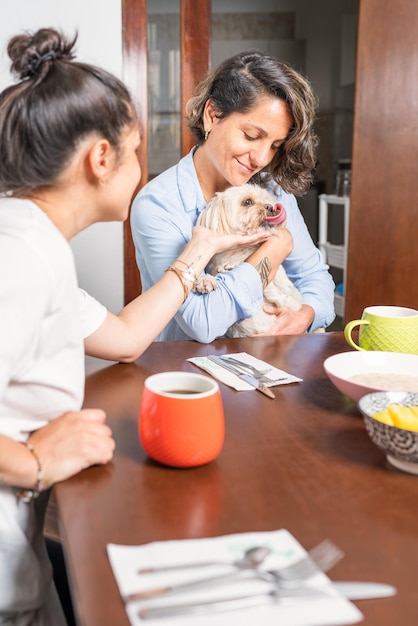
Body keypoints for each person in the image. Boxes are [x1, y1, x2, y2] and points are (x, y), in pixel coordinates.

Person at [0, 29, 271, 625]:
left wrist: (201, 247)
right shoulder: (19, 257)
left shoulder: (30, 242)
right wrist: (34, 463)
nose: (144, 168)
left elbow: (125, 337)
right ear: (102, 159)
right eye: (137, 149)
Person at [131, 51, 336, 343]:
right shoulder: (158, 204)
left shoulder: (272, 190)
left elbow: (315, 277)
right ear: (212, 115)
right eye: (252, 136)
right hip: (187, 369)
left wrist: (303, 317)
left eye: (275, 145)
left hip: (274, 361)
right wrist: (274, 251)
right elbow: (202, 322)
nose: (261, 159)